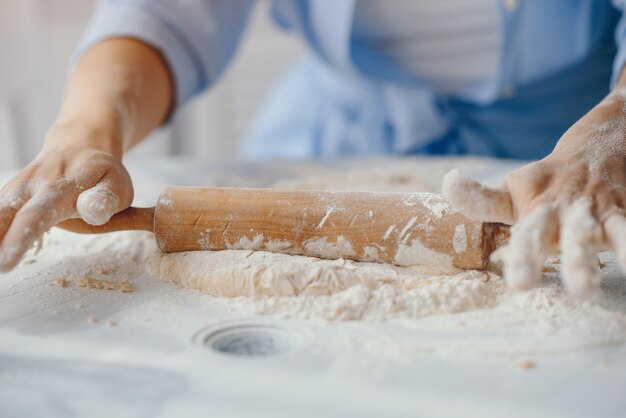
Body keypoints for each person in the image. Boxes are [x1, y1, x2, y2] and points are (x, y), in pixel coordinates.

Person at [1, 1, 625, 298]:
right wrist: (84, 132)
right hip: (329, 140)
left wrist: (613, 131)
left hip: (556, 169)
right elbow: (167, 14)